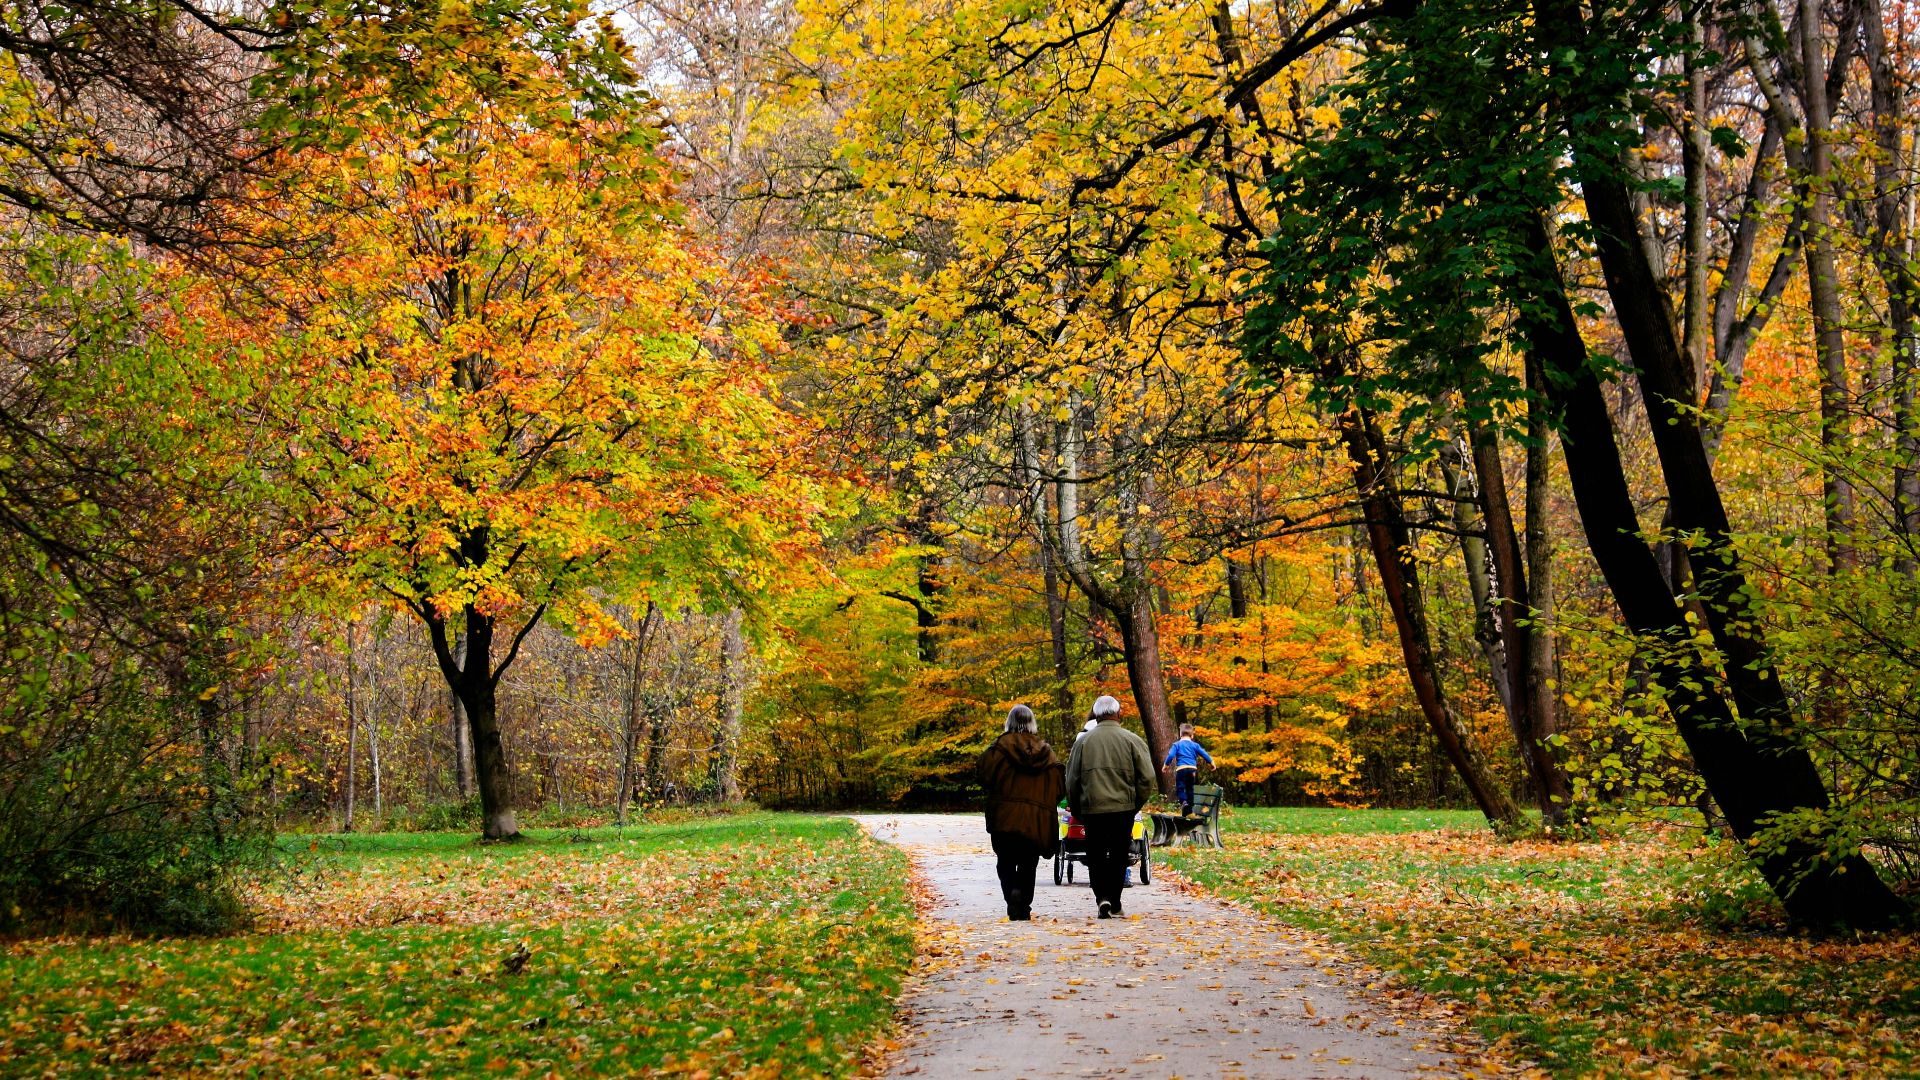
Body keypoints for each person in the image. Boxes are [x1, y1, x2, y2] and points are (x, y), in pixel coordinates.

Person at [1062, 695, 1156, 919]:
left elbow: (1072, 779)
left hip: (1093, 809)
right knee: (1118, 854)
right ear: (1118, 713)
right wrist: (1135, 803)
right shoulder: (1132, 740)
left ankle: (1101, 897)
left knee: (1095, 854)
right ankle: (1114, 900)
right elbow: (1148, 777)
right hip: (1123, 808)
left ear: (1096, 714)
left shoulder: (1082, 742)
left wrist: (1076, 807)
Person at [977, 704, 1064, 921]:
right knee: (1028, 862)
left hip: (1004, 816)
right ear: (1032, 723)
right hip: (1034, 819)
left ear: (1009, 722)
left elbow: (982, 776)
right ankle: (1023, 903)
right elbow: (1059, 786)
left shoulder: (997, 750)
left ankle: (1012, 898)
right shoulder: (1046, 752)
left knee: (1005, 860)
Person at [1161, 723, 1214, 815]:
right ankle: (1189, 808)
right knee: (1190, 788)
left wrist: (1166, 765)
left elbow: (1170, 755)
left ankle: (1184, 803)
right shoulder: (1195, 745)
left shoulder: (1176, 744)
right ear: (1192, 735)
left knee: (1180, 788)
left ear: (1180, 735)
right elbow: (1204, 754)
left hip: (1181, 769)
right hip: (1192, 770)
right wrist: (1212, 763)